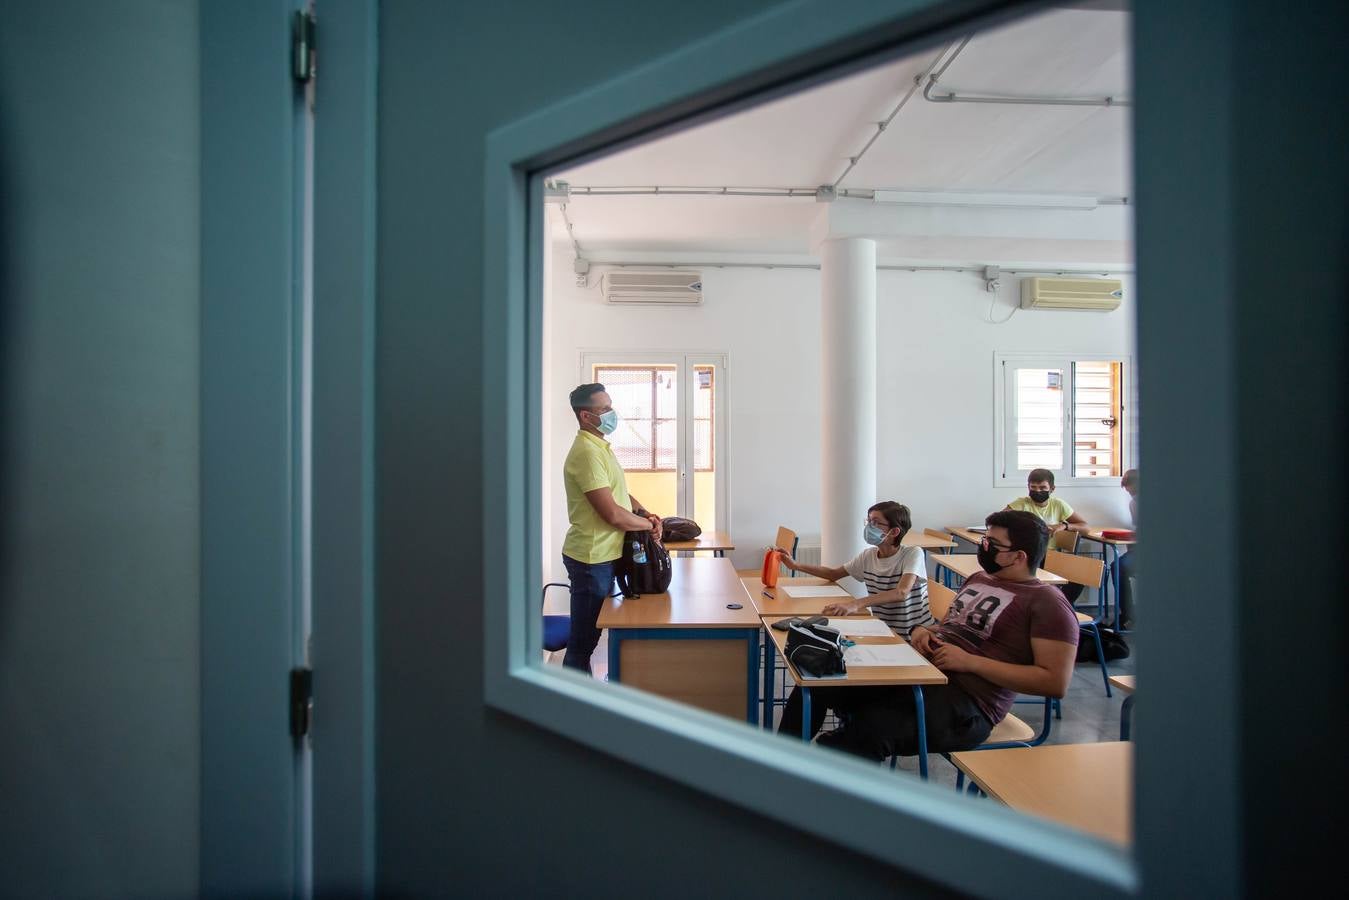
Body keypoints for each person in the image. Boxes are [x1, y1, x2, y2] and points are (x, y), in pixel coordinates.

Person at [778, 510, 1078, 761]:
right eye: (985, 538)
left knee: (865, 732)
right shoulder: (979, 579)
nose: (982, 545)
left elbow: (1054, 682)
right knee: (819, 683)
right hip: (923, 674)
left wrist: (970, 663)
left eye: (992, 543)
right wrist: (923, 631)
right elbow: (948, 625)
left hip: (967, 705)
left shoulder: (1047, 603)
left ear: (1019, 556)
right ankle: (780, 760)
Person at [560, 383, 662, 673]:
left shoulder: (600, 446)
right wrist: (646, 525)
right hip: (592, 559)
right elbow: (613, 515)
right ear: (585, 416)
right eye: (603, 409)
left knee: (597, 635)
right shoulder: (587, 454)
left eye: (610, 406)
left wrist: (645, 513)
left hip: (608, 554)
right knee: (583, 644)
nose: (611, 413)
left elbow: (620, 494)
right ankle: (573, 710)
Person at [775, 501, 933, 637]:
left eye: (876, 522)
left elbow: (901, 592)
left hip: (916, 635)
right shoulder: (868, 556)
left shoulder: (912, 553)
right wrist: (795, 565)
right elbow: (833, 574)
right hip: (884, 629)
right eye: (869, 521)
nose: (870, 526)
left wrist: (856, 604)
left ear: (894, 531)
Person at [1006, 468, 1089, 602]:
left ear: (1052, 488)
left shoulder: (1058, 505)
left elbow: (1085, 527)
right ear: (1028, 487)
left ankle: (1058, 606)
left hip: (1050, 555)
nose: (1038, 491)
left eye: (1042, 487)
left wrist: (1065, 525)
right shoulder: (1021, 504)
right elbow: (998, 521)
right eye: (1033, 487)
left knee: (1078, 577)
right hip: (1028, 555)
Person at [1114, 468, 1139, 628]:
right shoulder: (1134, 503)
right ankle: (1128, 614)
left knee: (1118, 567)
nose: (1133, 495)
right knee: (1118, 565)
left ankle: (1128, 616)